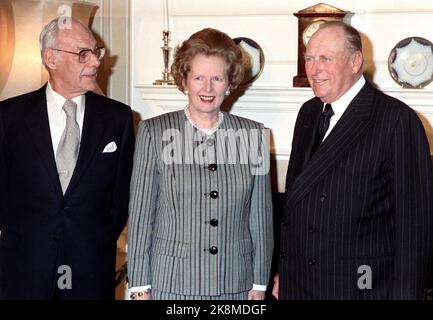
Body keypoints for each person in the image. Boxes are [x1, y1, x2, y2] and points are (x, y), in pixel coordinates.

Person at [272, 21, 433, 300]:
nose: (314, 69)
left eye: (326, 58)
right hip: (300, 284)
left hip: (360, 287)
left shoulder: (396, 120)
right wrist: (285, 272)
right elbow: (295, 208)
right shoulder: (308, 113)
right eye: (310, 58)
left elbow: (415, 230)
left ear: (355, 61)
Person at [127, 28, 273, 300]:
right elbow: (141, 218)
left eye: (217, 78)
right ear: (184, 81)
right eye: (198, 78)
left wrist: (260, 282)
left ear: (230, 83)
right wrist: (139, 288)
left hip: (237, 285)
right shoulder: (153, 133)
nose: (207, 88)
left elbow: (260, 219)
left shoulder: (254, 136)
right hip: (170, 285)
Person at [0, 16, 135, 299]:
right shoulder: (8, 117)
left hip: (90, 269)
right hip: (24, 271)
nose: (96, 62)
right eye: (83, 54)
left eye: (96, 52)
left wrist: (94, 240)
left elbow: (121, 197)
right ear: (51, 58)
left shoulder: (118, 118)